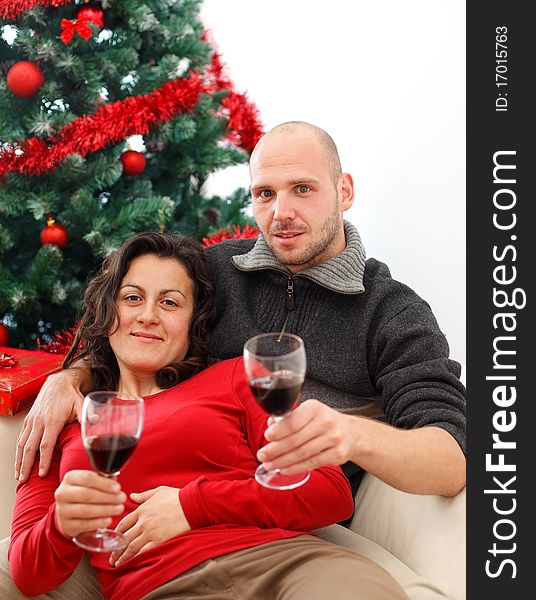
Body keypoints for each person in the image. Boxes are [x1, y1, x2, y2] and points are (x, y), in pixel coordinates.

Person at [14, 120, 466, 499]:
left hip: (280, 517)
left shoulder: (391, 311)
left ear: (344, 191)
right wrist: (71, 375)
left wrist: (352, 435)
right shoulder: (214, 271)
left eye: (302, 189)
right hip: (159, 498)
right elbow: (137, 331)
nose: (280, 213)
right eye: (265, 194)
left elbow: (452, 459)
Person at [6, 232, 408, 600]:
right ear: (107, 310)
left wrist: (192, 504)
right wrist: (61, 524)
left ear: (193, 321)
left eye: (169, 302)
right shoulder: (63, 419)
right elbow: (26, 572)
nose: (148, 315)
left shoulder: (235, 377)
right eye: (132, 298)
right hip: (157, 587)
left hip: (290, 566)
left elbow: (328, 491)